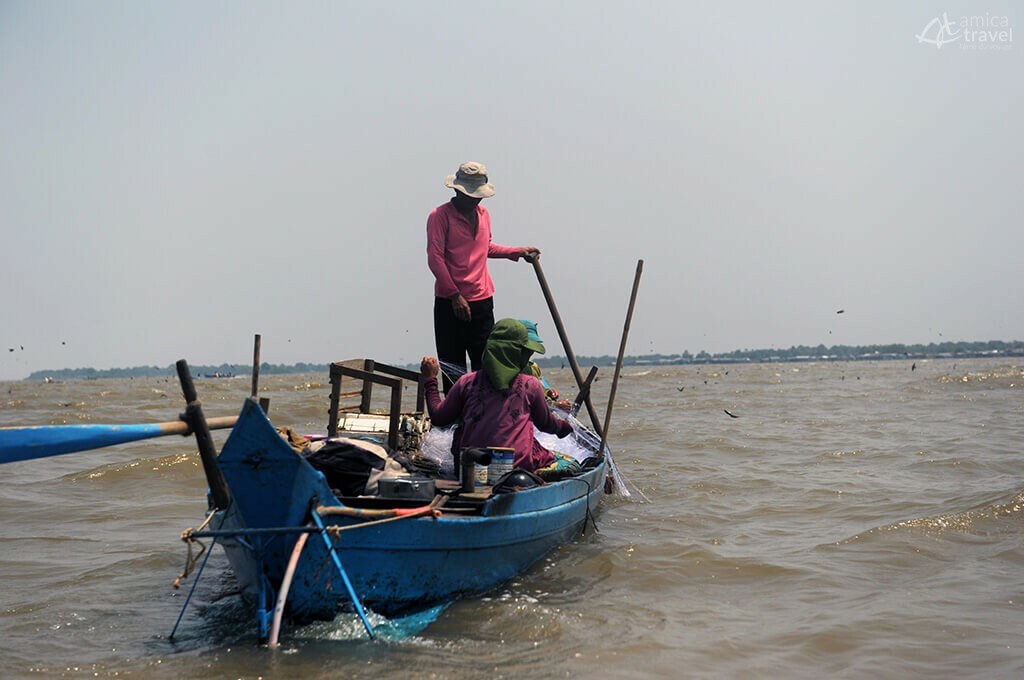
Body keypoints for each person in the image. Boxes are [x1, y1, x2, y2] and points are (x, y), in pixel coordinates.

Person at [426, 161, 539, 392]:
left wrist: (516, 252)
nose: (475, 200)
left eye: (478, 196)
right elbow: (435, 258)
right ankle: (456, 423)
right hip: (451, 302)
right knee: (453, 369)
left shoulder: (484, 214)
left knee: (485, 366)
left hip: (482, 301)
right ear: (457, 191)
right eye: (471, 195)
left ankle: (483, 421)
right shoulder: (440, 216)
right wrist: (455, 295)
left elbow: (485, 248)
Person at [420, 318, 574, 475]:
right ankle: (537, 478)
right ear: (517, 353)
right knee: (570, 464)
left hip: (470, 471)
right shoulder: (531, 385)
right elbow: (546, 424)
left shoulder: (466, 382)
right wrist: (562, 428)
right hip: (516, 468)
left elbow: (438, 417)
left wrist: (430, 379)